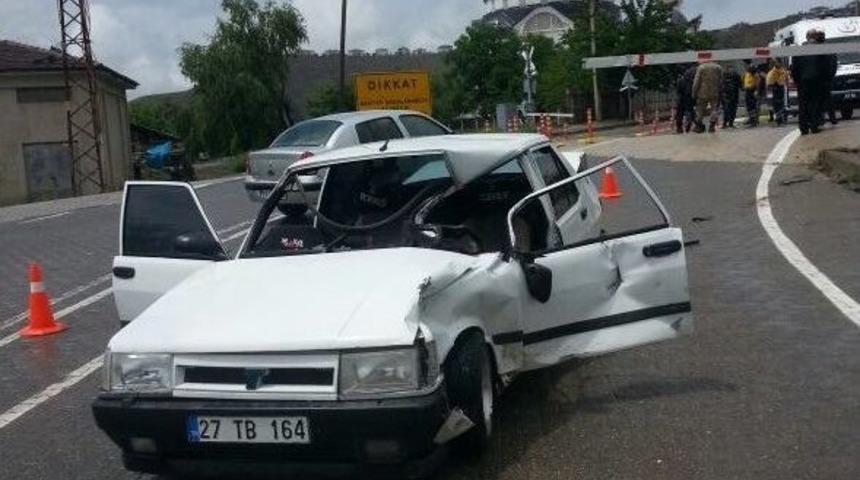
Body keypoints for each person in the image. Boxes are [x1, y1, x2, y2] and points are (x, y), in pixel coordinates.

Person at [791, 29, 825, 134]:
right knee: (814, 103)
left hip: (802, 81)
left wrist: (797, 81)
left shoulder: (799, 50)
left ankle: (803, 127)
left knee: (803, 104)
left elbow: (794, 68)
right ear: (816, 37)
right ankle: (814, 126)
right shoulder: (820, 49)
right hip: (816, 81)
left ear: (806, 37)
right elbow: (824, 67)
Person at [692, 60, 724, 133]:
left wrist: (694, 93)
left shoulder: (701, 68)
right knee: (714, 109)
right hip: (715, 92)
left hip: (702, 92)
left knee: (700, 109)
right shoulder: (718, 67)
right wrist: (720, 90)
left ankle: (699, 126)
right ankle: (712, 126)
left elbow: (696, 82)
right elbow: (721, 80)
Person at [816, 30, 839, 125]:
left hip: (817, 79)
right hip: (827, 78)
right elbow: (834, 64)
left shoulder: (814, 49)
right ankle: (832, 118)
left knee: (818, 100)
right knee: (828, 99)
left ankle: (821, 119)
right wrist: (831, 76)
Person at [674, 65, 697, 133]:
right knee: (690, 112)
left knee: (679, 114)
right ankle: (691, 124)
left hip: (681, 98)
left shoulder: (680, 80)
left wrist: (677, 99)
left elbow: (678, 91)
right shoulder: (692, 80)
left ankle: (679, 128)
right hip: (690, 98)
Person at [766, 58, 789, 126]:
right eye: (775, 62)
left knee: (781, 104)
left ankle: (781, 120)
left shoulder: (782, 70)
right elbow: (769, 81)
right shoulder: (773, 71)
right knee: (777, 105)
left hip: (781, 88)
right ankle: (778, 121)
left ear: (780, 62)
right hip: (775, 88)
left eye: (777, 62)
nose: (775, 63)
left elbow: (786, 78)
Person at [722, 64, 742, 128]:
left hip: (725, 94)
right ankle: (731, 123)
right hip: (734, 94)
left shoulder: (723, 74)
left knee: (726, 108)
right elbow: (741, 85)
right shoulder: (736, 74)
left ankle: (724, 123)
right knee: (733, 108)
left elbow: (720, 84)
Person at [742, 61, 760, 127]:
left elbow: (757, 83)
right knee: (749, 107)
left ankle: (753, 121)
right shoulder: (747, 73)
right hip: (747, 90)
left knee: (752, 106)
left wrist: (756, 90)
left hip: (752, 90)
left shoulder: (755, 74)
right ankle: (751, 119)